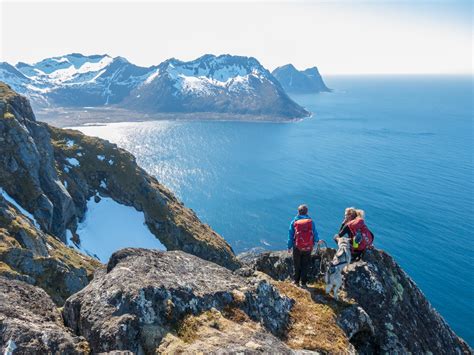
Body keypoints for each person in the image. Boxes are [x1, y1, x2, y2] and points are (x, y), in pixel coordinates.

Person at [288, 204, 319, 287]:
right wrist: (316, 241)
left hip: (297, 247)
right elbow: (315, 233)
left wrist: (289, 246)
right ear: (307, 212)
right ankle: (304, 282)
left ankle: (296, 281)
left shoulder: (294, 222)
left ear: (298, 212)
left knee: (297, 264)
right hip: (308, 247)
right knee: (305, 264)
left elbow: (291, 235)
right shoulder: (311, 222)